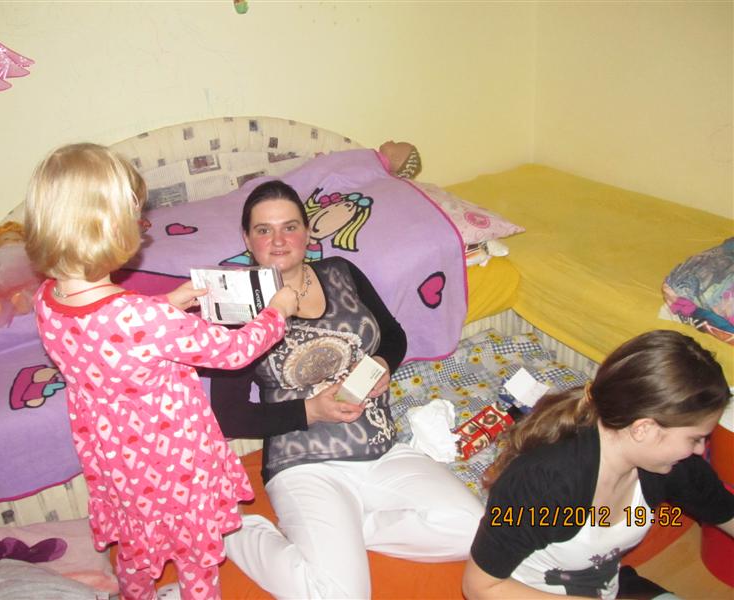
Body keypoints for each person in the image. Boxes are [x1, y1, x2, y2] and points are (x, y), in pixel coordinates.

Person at [23, 143, 299, 600]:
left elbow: (111, 337)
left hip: (117, 458)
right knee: (196, 554)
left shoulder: (48, 298)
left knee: (136, 545)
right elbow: (233, 351)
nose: (142, 226)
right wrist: (277, 311)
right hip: (172, 460)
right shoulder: (143, 319)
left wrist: (168, 303)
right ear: (111, 226)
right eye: (137, 217)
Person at [209, 179, 484, 599]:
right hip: (306, 465)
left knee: (476, 530)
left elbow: (393, 335)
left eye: (290, 227)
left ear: (307, 232)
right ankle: (235, 531)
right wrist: (311, 410)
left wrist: (381, 363)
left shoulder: (340, 272)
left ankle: (354, 530)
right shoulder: (236, 306)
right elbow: (228, 416)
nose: (279, 240)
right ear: (247, 240)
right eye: (264, 230)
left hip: (382, 450)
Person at [462, 329, 734, 600]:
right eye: (695, 438)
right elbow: (479, 588)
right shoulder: (543, 484)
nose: (700, 450)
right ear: (644, 429)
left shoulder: (671, 464)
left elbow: (723, 508)